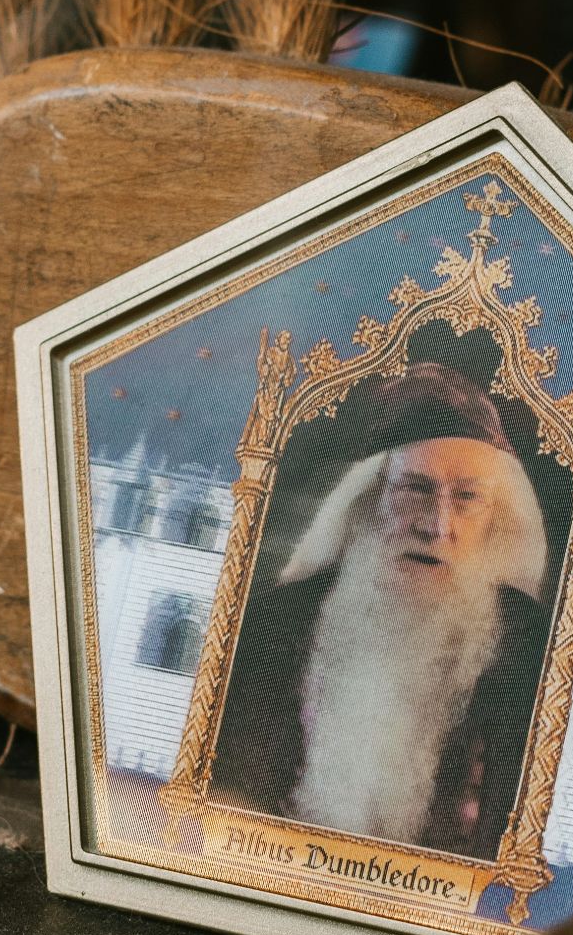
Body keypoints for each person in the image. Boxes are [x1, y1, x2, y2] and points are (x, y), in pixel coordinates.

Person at [208, 362, 552, 860]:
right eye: (415, 489)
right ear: (371, 497)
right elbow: (227, 804)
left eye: (467, 499)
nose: (436, 526)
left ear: (494, 519)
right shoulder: (277, 622)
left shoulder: (531, 650)